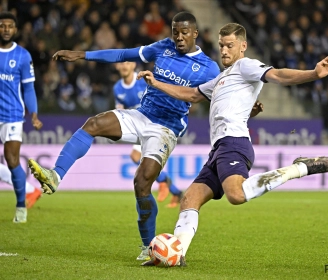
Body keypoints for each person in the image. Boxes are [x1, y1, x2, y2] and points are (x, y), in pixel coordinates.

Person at [137, 23, 328, 266]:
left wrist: (313, 74)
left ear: (243, 46)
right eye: (221, 45)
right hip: (219, 148)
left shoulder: (246, 65)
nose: (224, 50)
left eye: (230, 46)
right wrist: (156, 83)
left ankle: (299, 168)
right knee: (190, 198)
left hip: (235, 142)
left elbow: (277, 75)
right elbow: (191, 94)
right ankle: (177, 254)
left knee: (236, 194)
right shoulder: (221, 78)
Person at [27, 12, 220, 261]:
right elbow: (122, 54)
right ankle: (55, 175)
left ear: (195, 33)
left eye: (184, 33)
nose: (179, 37)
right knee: (93, 123)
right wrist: (82, 55)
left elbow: (217, 95)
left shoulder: (208, 67)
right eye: (175, 32)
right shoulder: (163, 48)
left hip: (166, 128)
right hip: (142, 114)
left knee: (141, 183)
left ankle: (146, 245)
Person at [113, 61, 183, 207]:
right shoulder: (117, 88)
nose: (124, 66)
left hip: (154, 122)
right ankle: (174, 190)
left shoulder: (142, 81)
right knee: (141, 159)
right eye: (121, 63)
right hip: (138, 123)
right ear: (117, 66)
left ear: (134, 65)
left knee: (139, 158)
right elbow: (121, 110)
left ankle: (165, 182)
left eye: (127, 62)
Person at [0, 12, 43, 223]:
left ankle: (20, 206)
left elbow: (28, 89)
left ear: (15, 30)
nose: (6, 29)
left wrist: (33, 114)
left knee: (12, 159)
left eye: (10, 26)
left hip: (13, 116)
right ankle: (27, 191)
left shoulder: (23, 56)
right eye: (2, 25)